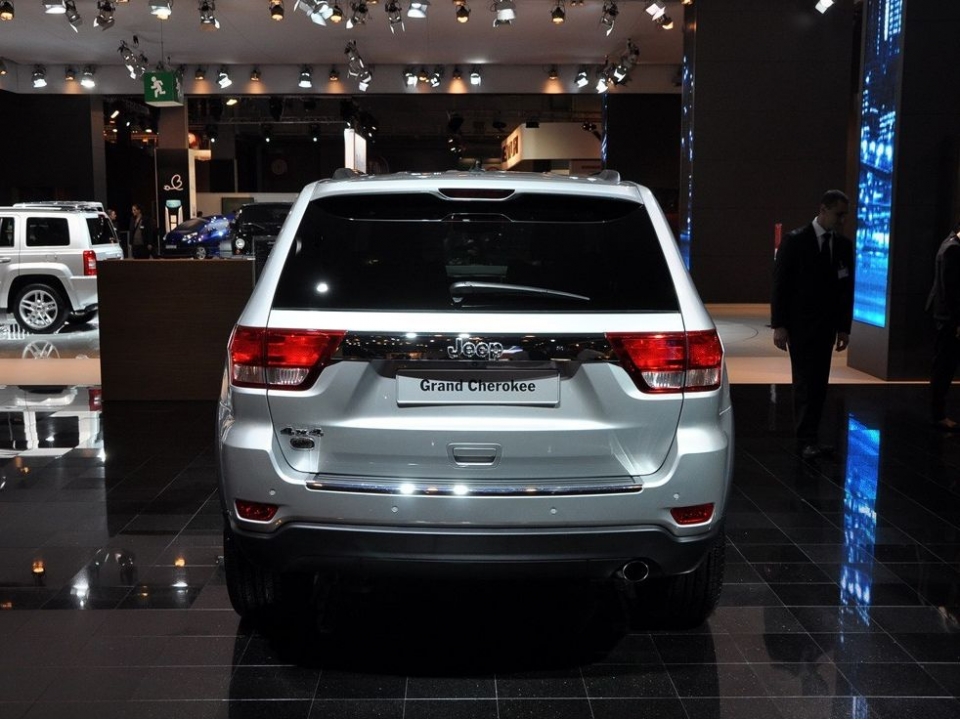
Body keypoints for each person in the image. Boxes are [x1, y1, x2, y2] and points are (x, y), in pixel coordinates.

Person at [771, 189, 855, 459]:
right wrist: (779, 325)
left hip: (826, 327)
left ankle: (812, 437)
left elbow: (845, 291)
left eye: (844, 215)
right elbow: (780, 285)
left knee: (819, 382)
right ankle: (805, 438)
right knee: (805, 382)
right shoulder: (795, 241)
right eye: (839, 214)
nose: (842, 220)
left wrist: (844, 328)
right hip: (800, 326)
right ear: (823, 209)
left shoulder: (843, 246)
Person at [927, 219, 960, 431]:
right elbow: (951, 291)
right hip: (949, 319)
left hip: (945, 317)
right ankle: (937, 414)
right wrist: (957, 322)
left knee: (944, 365)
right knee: (944, 367)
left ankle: (937, 413)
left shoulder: (947, 244)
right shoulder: (953, 249)